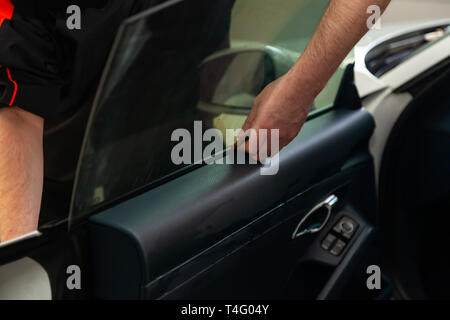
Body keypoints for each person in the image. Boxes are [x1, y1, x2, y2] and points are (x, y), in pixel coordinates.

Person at [0, 0, 391, 242]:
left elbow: (205, 51)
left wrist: (299, 91)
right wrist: (21, 268)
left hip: (169, 168)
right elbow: (14, 118)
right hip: (52, 198)